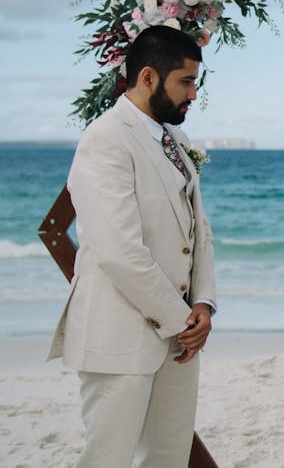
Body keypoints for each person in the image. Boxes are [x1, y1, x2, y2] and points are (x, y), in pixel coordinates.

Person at [48, 25, 216, 468]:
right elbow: (118, 250)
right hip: (120, 332)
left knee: (168, 457)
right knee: (107, 458)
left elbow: (198, 231)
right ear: (147, 77)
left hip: (180, 335)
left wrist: (204, 303)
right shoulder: (105, 138)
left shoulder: (176, 141)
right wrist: (181, 319)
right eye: (185, 81)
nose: (193, 95)